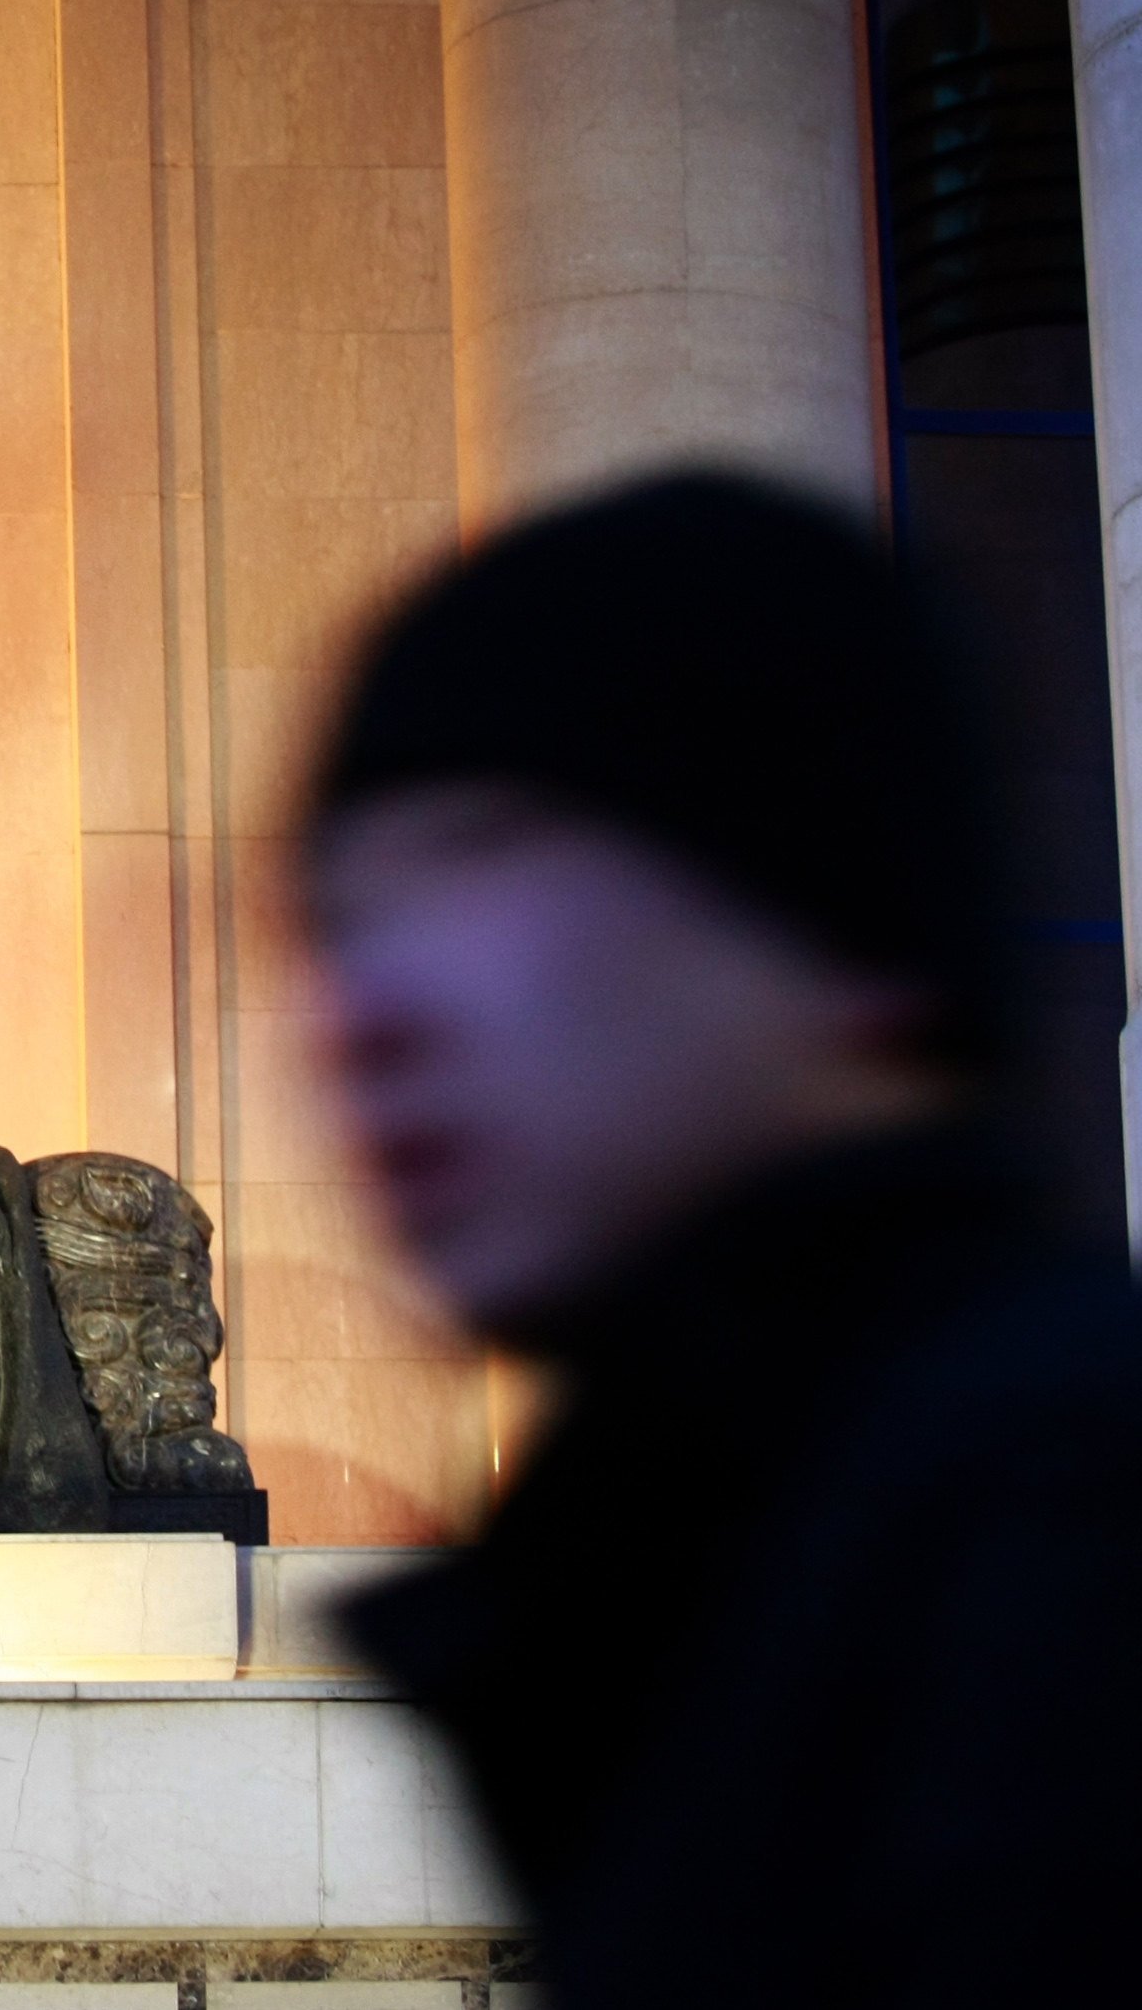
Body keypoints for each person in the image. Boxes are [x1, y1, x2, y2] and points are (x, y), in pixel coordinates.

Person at [303, 470, 1142, 2006]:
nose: (367, 1013)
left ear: (839, 926)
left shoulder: (1062, 1532)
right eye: (342, 923)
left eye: (487, 850)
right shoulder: (661, 1605)